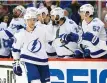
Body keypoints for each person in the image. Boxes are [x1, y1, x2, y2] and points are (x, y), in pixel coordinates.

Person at [12, 7, 50, 83]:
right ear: (25, 21)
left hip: (43, 61)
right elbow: (15, 49)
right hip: (28, 60)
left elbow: (52, 38)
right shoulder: (20, 33)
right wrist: (16, 63)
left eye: (33, 19)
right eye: (29, 20)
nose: (31, 22)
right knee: (35, 82)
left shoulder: (42, 30)